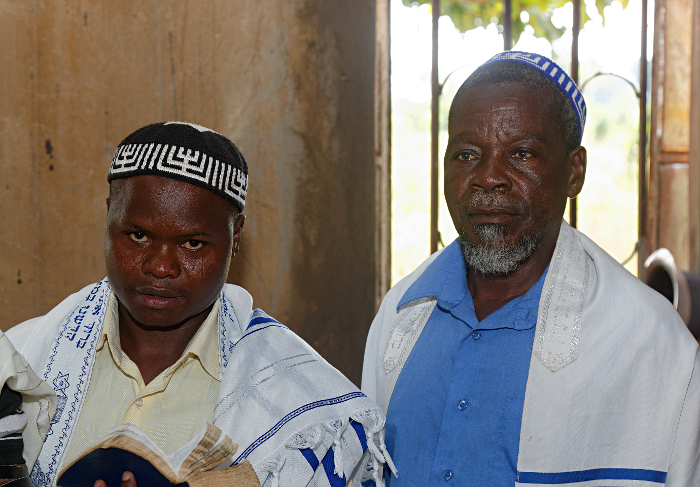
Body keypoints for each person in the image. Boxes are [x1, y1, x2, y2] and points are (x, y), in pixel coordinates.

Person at [362, 51, 700, 486]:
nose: (489, 177)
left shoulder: (649, 341)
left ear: (574, 172)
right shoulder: (401, 316)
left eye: (521, 153)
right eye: (466, 155)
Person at [7, 122, 392, 487]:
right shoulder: (21, 363)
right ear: (109, 213)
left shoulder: (299, 406)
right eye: (138, 235)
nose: (161, 266)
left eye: (193, 244)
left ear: (235, 235)